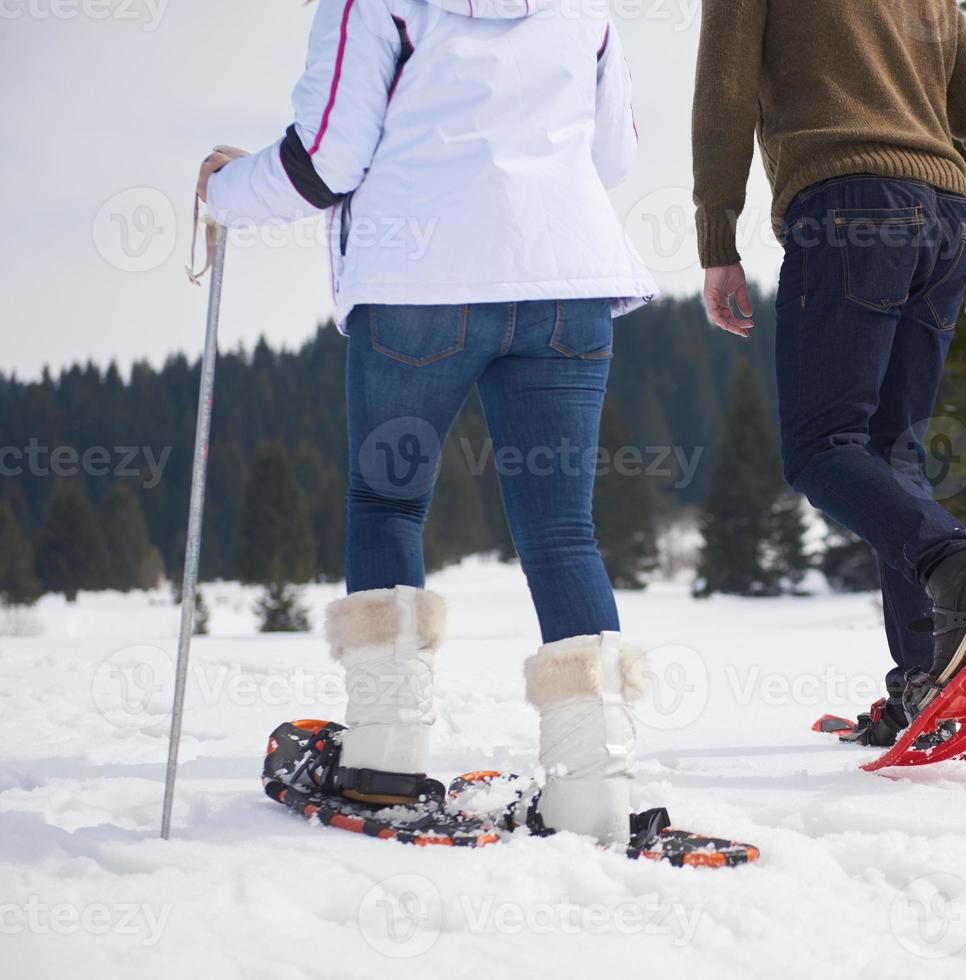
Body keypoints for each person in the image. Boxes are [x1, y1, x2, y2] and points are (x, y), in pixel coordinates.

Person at [195, 0, 657, 844]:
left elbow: (325, 162)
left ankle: (383, 757)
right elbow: (611, 155)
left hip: (420, 287)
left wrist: (226, 189)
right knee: (562, 534)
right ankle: (594, 793)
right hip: (564, 278)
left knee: (389, 504)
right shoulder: (584, 9)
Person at [692, 0, 966, 745]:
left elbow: (722, 99)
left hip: (847, 205)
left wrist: (716, 237)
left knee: (822, 448)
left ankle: (961, 567)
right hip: (946, 222)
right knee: (890, 458)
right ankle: (923, 681)